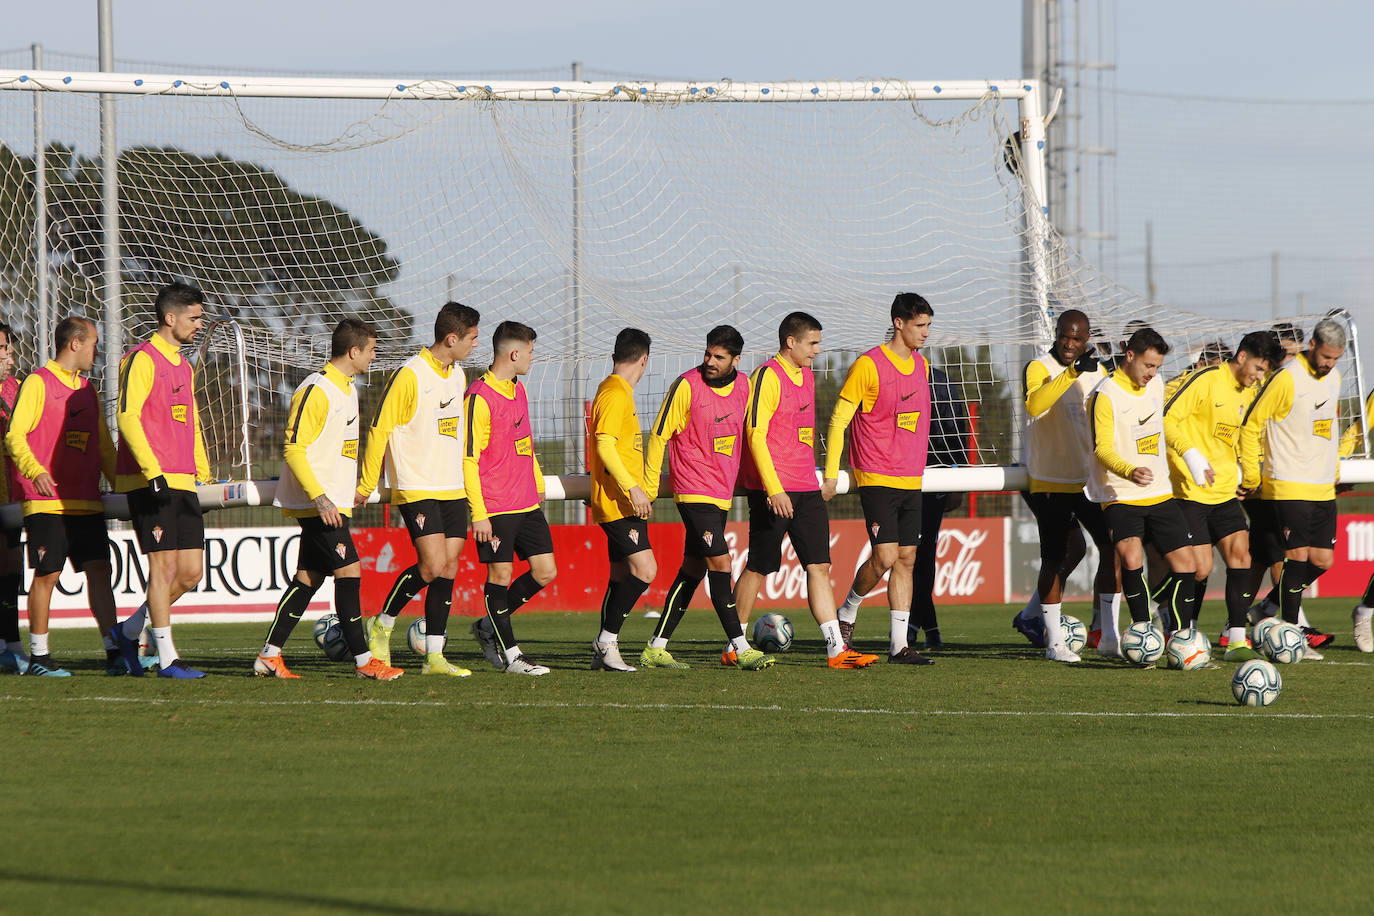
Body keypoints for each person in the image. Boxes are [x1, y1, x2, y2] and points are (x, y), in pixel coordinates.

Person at [255, 319, 403, 680]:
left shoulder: (347, 388)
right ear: (354, 351)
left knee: (307, 578)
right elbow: (293, 448)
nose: (374, 356)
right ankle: (364, 662)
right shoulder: (316, 389)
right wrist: (321, 499)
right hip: (317, 506)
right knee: (349, 571)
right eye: (371, 350)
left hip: (334, 503)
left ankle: (269, 656)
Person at [734, 312, 878, 669]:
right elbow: (755, 434)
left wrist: (824, 476)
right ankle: (734, 643)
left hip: (806, 486)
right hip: (775, 491)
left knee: (820, 566)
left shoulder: (808, 376)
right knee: (758, 567)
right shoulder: (767, 375)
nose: (817, 349)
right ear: (791, 342)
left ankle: (835, 650)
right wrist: (773, 489)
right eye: (812, 342)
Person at [355, 302, 480, 677]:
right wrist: (366, 482)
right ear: (452, 338)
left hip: (452, 486)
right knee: (431, 566)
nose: (476, 345)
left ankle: (435, 657)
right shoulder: (410, 374)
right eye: (472, 339)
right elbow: (379, 428)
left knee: (449, 566)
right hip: (417, 484)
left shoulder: (458, 375)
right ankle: (383, 624)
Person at [642, 325, 774, 670]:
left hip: (721, 492)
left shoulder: (744, 386)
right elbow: (658, 436)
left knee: (693, 569)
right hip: (693, 488)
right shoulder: (687, 385)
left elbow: (751, 435)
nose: (710, 361)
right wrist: (649, 487)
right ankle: (741, 646)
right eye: (707, 354)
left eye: (719, 357)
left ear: (735, 360)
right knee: (722, 563)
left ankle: (656, 646)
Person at [3, 317, 120, 676]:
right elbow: (14, 436)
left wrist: (122, 484)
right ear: (75, 344)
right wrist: (35, 470)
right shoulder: (38, 383)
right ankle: (39, 656)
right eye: (94, 344)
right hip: (47, 501)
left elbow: (103, 446)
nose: (96, 352)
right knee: (47, 574)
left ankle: (115, 651)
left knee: (100, 571)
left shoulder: (88, 390)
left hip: (86, 500)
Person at [823, 292, 935, 665]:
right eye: (920, 325)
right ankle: (848, 610)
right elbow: (840, 419)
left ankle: (899, 646)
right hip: (876, 475)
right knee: (885, 556)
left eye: (928, 326)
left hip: (911, 479)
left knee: (906, 559)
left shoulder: (923, 366)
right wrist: (830, 470)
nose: (925, 333)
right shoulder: (868, 365)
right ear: (899, 323)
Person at [108, 282, 213, 679]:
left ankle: (129, 630)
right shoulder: (141, 359)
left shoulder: (184, 365)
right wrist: (152, 472)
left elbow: (192, 418)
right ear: (171, 318)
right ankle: (168, 659)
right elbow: (127, 417)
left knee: (190, 573)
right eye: (195, 317)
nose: (200, 324)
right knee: (163, 569)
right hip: (152, 481)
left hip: (184, 480)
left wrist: (201, 466)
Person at [1162, 330, 1281, 662]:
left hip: (1225, 490)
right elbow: (1167, 419)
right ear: (1242, 356)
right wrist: (1191, 456)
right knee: (1199, 570)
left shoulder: (1251, 391)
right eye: (1258, 368)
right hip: (1188, 490)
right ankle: (1182, 633)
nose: (1259, 376)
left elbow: (1246, 434)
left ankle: (1236, 640)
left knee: (1241, 557)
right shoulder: (1205, 381)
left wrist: (1252, 477)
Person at [1013, 309, 1121, 660]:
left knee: (1113, 547)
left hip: (1088, 481)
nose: (1070, 344)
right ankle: (1055, 642)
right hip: (1050, 480)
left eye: (1078, 338)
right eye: (1065, 336)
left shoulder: (1099, 373)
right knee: (1055, 556)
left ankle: (1108, 635)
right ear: (1057, 333)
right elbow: (1035, 405)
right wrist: (1072, 373)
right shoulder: (1039, 367)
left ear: (1087, 339)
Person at [1239, 317, 1347, 661]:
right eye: (1326, 356)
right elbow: (1252, 423)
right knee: (1295, 559)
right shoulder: (1287, 378)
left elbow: (1329, 427)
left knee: (1322, 560)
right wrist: (1252, 474)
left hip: (1321, 487)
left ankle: (1266, 608)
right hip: (1287, 482)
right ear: (1312, 346)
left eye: (1336, 359)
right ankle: (1291, 633)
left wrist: (1335, 468)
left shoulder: (1335, 379)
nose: (1329, 364)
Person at [1087, 326, 1198, 648]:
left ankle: (1180, 636)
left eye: (1158, 367)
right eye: (1148, 366)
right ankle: (1142, 633)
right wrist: (1130, 470)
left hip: (1160, 491)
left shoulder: (1156, 384)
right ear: (1130, 356)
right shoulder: (1105, 394)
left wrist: (1190, 454)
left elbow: (1161, 425)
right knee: (1131, 558)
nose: (1153, 373)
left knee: (1187, 566)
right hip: (1120, 494)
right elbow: (1101, 448)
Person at [466, 321, 557, 676]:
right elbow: (469, 459)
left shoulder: (519, 389)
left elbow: (526, 442)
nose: (533, 358)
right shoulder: (479, 396)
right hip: (495, 505)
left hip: (526, 503)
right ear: (514, 354)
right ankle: (513, 657)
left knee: (545, 572)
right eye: (531, 351)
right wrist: (478, 514)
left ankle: (487, 627)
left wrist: (537, 483)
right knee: (500, 575)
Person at [587, 328, 655, 672]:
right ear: (643, 360)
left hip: (619, 500)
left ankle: (603, 650)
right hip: (619, 503)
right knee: (646, 570)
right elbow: (604, 445)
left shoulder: (612, 390)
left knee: (618, 576)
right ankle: (607, 640)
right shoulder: (615, 394)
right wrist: (633, 488)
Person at [908, 360, 970, 651]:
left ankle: (916, 628)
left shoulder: (942, 383)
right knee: (905, 557)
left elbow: (959, 432)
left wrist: (958, 482)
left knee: (921, 556)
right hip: (896, 478)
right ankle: (925, 629)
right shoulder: (884, 377)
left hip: (933, 480)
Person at [0, 322, 28, 673]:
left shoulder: (18, 389)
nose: (7, 355)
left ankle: (12, 642)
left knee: (10, 568)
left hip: (12, 494)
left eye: (8, 348)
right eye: (2, 349)